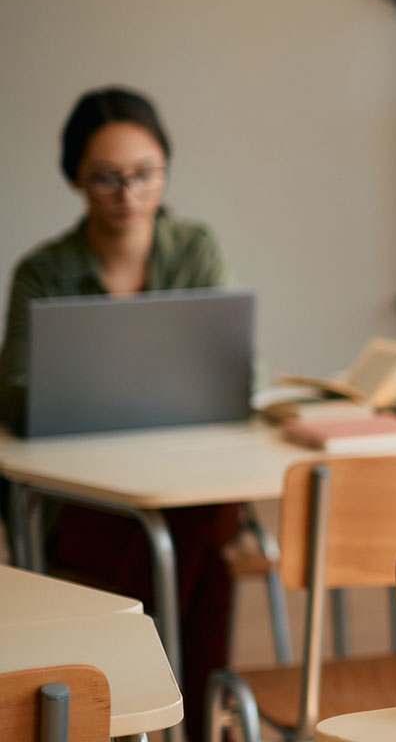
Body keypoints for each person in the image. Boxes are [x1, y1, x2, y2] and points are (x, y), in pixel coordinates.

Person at [0, 86, 239, 742]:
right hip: (85, 495)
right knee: (207, 556)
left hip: (184, 479)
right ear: (75, 178)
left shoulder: (194, 248)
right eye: (107, 177)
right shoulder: (43, 272)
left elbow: (234, 368)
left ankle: (124, 699)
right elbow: (14, 394)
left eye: (145, 174)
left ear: (165, 169)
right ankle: (188, 721)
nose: (129, 194)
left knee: (198, 517)